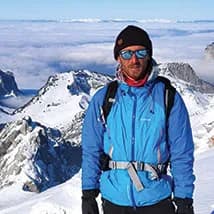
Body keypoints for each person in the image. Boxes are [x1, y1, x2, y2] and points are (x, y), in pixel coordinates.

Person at [81, 25, 195, 214]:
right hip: (114, 200)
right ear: (118, 58)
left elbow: (181, 153)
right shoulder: (104, 98)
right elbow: (91, 150)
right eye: (127, 54)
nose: (134, 60)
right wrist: (88, 194)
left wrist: (184, 200)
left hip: (156, 200)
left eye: (140, 52)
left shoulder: (168, 97)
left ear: (149, 55)